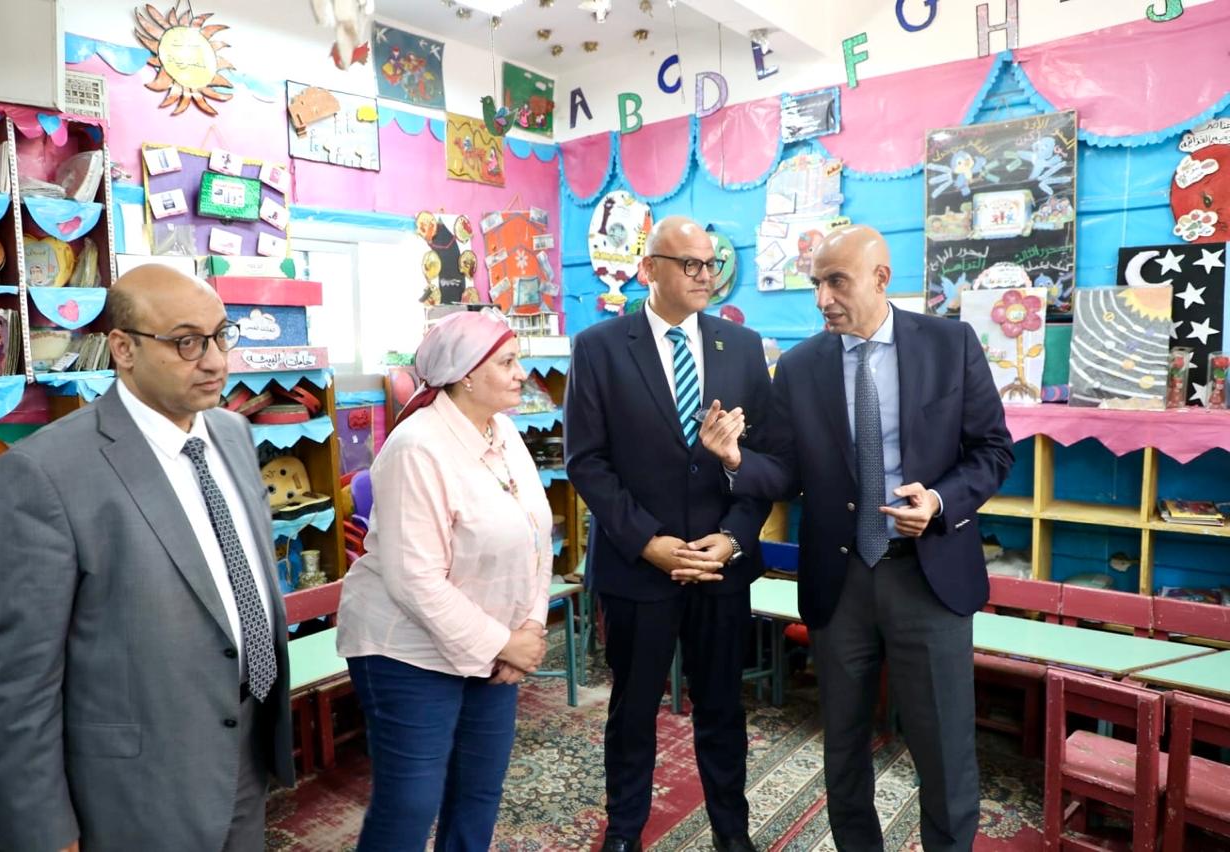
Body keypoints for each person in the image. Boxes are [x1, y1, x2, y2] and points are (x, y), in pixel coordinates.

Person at [701, 224, 1014, 852]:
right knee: (842, 747)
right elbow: (786, 471)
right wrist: (736, 460)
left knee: (944, 748)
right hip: (839, 581)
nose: (823, 299)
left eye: (837, 282)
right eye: (817, 284)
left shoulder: (950, 345)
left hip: (927, 576)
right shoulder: (799, 366)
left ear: (880, 278)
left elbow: (992, 450)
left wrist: (939, 501)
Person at [0, 264, 294, 852]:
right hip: (134, 791)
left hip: (245, 754)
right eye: (186, 342)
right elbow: (21, 684)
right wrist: (44, 833)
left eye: (221, 335)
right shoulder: (44, 474)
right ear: (123, 348)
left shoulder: (231, 434)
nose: (215, 361)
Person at [565, 215, 773, 852]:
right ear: (648, 269)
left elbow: (766, 460)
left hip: (719, 566)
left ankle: (732, 836)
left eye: (711, 264)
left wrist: (733, 538)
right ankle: (624, 833)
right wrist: (647, 541)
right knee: (633, 711)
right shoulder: (599, 347)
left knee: (722, 709)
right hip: (637, 567)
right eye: (690, 264)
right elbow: (586, 461)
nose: (705, 276)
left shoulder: (742, 348)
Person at [336, 308, 552, 852]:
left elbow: (535, 534)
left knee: (479, 790)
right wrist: (505, 642)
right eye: (507, 362)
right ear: (466, 374)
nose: (521, 373)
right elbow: (415, 581)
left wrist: (527, 628)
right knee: (411, 804)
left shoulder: (503, 431)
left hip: (493, 642)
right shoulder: (417, 447)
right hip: (407, 651)